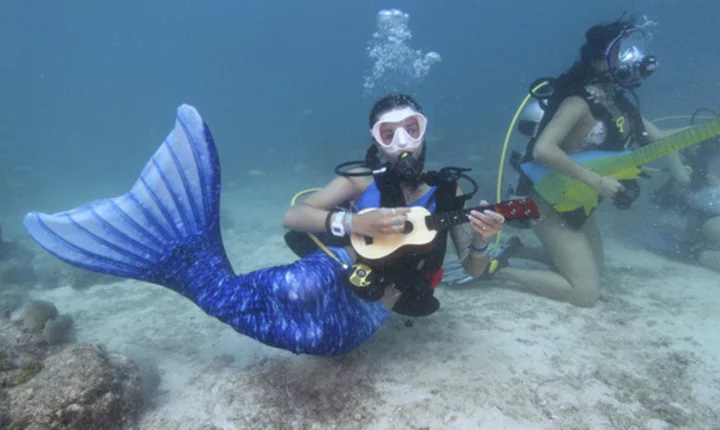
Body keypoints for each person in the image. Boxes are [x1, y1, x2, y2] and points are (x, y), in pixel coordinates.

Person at [22, 97, 503, 357]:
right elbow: (294, 217)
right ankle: (184, 261)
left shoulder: (450, 197)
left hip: (377, 305)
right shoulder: (360, 179)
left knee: (323, 342)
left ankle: (177, 261)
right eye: (388, 133)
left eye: (411, 129)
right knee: (293, 287)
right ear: (375, 141)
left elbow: (474, 270)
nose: (402, 142)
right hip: (336, 261)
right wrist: (353, 218)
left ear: (425, 132)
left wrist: (482, 239)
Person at [488, 17, 687, 307]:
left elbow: (662, 139)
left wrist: (709, 129)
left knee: (596, 271)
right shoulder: (578, 102)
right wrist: (596, 181)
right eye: (619, 52)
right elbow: (544, 149)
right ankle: (498, 271)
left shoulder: (619, 104)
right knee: (585, 293)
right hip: (548, 205)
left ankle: (519, 251)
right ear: (597, 62)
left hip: (578, 203)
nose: (630, 59)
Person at [652, 111, 720, 272]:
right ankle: (699, 252)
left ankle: (700, 252)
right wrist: (680, 174)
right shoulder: (703, 137)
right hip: (707, 215)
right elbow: (663, 141)